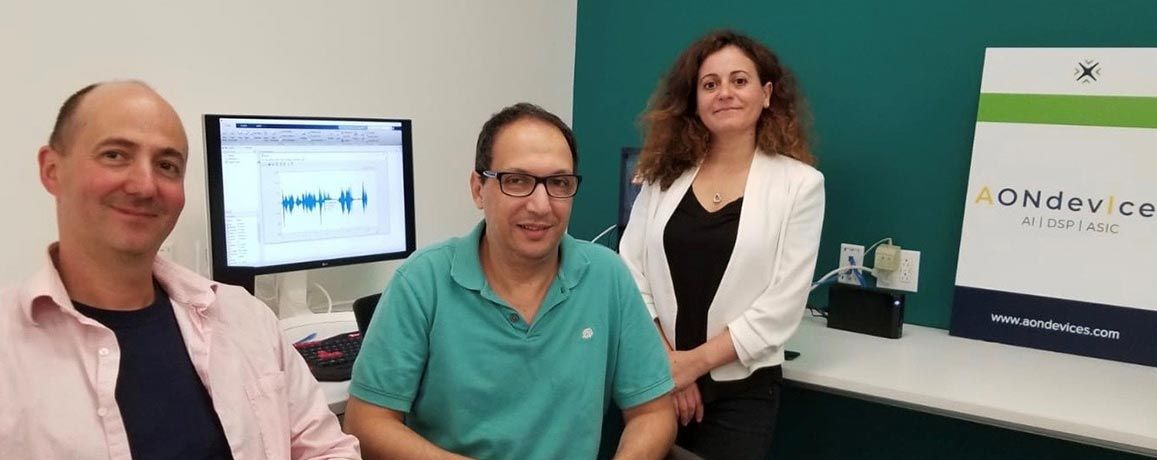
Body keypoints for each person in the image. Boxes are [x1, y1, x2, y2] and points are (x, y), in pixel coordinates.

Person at [0, 81, 360, 459]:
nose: (144, 185)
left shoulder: (245, 319)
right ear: (52, 169)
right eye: (115, 155)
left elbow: (326, 448)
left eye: (167, 165)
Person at [344, 103, 677, 460]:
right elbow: (366, 422)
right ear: (478, 189)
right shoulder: (422, 282)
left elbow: (653, 412)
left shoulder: (607, 277)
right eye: (517, 181)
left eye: (559, 183)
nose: (540, 204)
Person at [619, 30, 826, 460]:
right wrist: (668, 367)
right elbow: (631, 271)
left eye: (739, 81)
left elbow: (781, 308)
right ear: (695, 100)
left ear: (766, 94)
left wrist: (687, 367)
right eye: (710, 84)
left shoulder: (800, 186)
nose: (724, 93)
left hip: (741, 392)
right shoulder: (664, 176)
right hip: (656, 380)